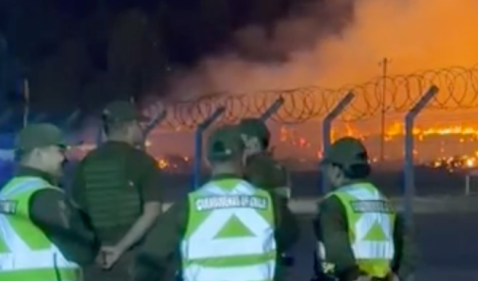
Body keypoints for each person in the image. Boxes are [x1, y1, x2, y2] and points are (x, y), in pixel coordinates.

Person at [134, 126, 299, 281]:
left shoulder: (188, 206)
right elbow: (290, 234)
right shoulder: (268, 202)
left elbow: (151, 258)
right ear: (243, 157)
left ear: (207, 160)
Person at [72, 100, 164, 281]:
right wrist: (119, 248)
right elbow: (152, 212)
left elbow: (77, 210)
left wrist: (96, 248)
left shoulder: (87, 162)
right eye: (139, 124)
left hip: (97, 258)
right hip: (132, 258)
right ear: (129, 127)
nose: (141, 129)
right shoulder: (141, 161)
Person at [0, 123, 98, 280]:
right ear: (38, 153)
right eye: (60, 151)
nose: (64, 158)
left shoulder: (7, 193)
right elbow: (82, 251)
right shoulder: (45, 194)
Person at [314, 137, 411, 281]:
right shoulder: (385, 202)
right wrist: (399, 275)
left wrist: (352, 275)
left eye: (328, 168)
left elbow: (336, 247)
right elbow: (407, 246)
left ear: (338, 170)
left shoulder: (335, 203)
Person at [238, 117, 293, 279]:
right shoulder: (279, 168)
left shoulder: (252, 169)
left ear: (253, 142)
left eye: (240, 140)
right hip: (274, 246)